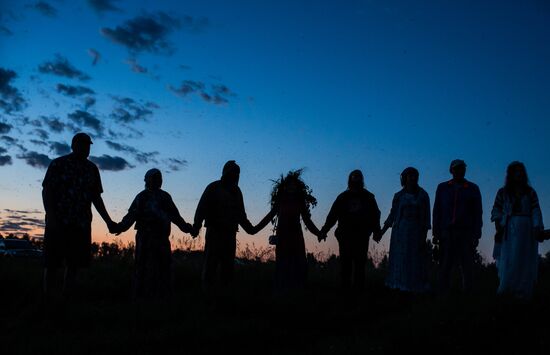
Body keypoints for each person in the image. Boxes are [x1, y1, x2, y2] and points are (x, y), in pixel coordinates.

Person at [42, 132, 116, 299]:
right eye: (82, 144)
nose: (85, 148)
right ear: (73, 145)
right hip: (58, 224)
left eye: (88, 145)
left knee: (74, 264)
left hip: (80, 225)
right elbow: (47, 191)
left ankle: (66, 300)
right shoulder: (58, 164)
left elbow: (96, 197)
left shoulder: (92, 169)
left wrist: (108, 221)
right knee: (52, 264)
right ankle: (48, 301)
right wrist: (51, 217)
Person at [113, 169, 194, 300]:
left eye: (160, 178)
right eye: (155, 178)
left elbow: (175, 216)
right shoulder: (141, 197)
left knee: (164, 268)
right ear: (147, 180)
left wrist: (186, 228)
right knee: (142, 267)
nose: (158, 180)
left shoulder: (165, 197)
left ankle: (163, 298)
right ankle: (140, 298)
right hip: (144, 238)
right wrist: (121, 227)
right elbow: (131, 215)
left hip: (162, 239)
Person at [253, 169, 325, 291]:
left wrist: (319, 233)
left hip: (296, 238)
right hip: (282, 238)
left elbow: (307, 221)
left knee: (299, 265)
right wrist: (255, 229)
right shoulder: (280, 201)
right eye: (289, 185)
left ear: (297, 187)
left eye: (293, 185)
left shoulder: (300, 202)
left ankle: (297, 292)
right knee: (282, 266)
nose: (291, 187)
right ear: (285, 187)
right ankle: (281, 293)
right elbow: (270, 216)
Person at [192, 160, 256, 295]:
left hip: (230, 234)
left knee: (227, 268)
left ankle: (224, 298)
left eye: (237, 174)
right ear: (225, 173)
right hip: (214, 233)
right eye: (232, 173)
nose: (235, 176)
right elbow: (201, 208)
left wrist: (250, 228)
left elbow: (241, 214)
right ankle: (208, 297)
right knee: (210, 266)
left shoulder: (237, 192)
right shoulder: (213, 188)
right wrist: (196, 226)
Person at [320, 170, 381, 291]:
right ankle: (345, 294)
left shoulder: (369, 197)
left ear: (361, 180)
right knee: (345, 266)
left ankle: (358, 294)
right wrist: (324, 230)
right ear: (350, 180)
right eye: (354, 177)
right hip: (345, 236)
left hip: (362, 237)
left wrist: (376, 231)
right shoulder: (343, 197)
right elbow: (332, 215)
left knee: (360, 266)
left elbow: (375, 215)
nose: (356, 179)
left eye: (358, 177)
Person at [491, 162, 544, 300]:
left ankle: (523, 292)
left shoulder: (530, 192)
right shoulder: (503, 192)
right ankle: (507, 289)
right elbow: (496, 209)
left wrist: (536, 227)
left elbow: (536, 210)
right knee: (509, 258)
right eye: (515, 171)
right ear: (511, 174)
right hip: (509, 229)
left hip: (526, 229)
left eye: (520, 171)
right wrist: (499, 225)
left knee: (524, 259)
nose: (518, 174)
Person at [433, 159, 482, 294]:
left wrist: (476, 233)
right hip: (447, 232)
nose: (459, 171)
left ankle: (468, 294)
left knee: (467, 265)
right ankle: (443, 294)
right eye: (456, 168)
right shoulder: (442, 188)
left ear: (465, 170)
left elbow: (478, 212)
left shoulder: (473, 188)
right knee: (445, 264)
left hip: (466, 232)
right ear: (451, 170)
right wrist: (436, 232)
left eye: (462, 168)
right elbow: (437, 210)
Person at [378, 167, 431, 293]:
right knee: (400, 259)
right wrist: (382, 231)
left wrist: (424, 235)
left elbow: (426, 217)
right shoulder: (399, 196)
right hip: (400, 232)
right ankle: (398, 285)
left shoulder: (423, 195)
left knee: (415, 259)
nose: (412, 178)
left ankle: (414, 287)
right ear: (405, 178)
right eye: (410, 176)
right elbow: (392, 215)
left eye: (415, 176)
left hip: (416, 231)